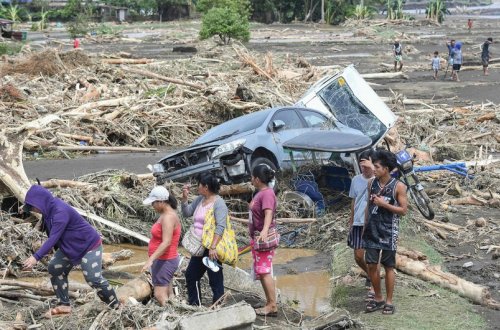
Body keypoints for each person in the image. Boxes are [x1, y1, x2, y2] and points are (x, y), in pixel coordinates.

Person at [21, 185, 119, 318]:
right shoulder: (47, 210)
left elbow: (53, 238)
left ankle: (116, 306)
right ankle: (64, 304)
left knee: (93, 278)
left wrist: (35, 257)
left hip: (89, 246)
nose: (33, 210)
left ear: (40, 202)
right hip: (70, 247)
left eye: (33, 207)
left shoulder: (59, 211)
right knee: (55, 267)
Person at [362, 150, 408, 315]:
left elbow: (403, 210)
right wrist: (364, 225)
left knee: (389, 266)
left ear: (386, 169)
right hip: (371, 230)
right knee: (372, 265)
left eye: (377, 166)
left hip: (389, 230)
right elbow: (368, 206)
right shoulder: (371, 183)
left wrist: (384, 204)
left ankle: (389, 301)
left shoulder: (399, 186)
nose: (373, 169)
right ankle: (378, 298)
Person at [182, 174, 228, 306]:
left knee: (215, 279)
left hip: (212, 247)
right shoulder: (200, 200)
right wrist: (184, 199)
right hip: (199, 246)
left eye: (199, 185)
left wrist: (213, 247)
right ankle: (195, 305)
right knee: (191, 275)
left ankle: (218, 306)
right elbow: (186, 213)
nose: (197, 187)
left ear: (206, 187)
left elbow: (220, 226)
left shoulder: (219, 203)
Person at [142, 186, 181, 306]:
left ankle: (170, 319)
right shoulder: (165, 214)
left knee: (159, 294)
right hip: (164, 260)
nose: (152, 206)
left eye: (153, 203)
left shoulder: (168, 217)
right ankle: (174, 313)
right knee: (169, 294)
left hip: (165, 260)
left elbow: (166, 242)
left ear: (161, 202)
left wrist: (150, 260)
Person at [249, 164, 278, 317]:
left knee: (265, 271)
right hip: (258, 237)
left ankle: (272, 305)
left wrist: (265, 230)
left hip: (263, 238)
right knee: (261, 271)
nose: (251, 180)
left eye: (252, 177)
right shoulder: (260, 193)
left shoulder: (266, 194)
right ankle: (269, 301)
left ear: (258, 179)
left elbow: (268, 213)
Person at [348, 150, 375, 301]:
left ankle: (373, 288)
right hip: (358, 222)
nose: (364, 167)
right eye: (362, 164)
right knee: (358, 256)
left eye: (367, 163)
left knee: (372, 256)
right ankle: (371, 276)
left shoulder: (378, 180)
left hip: (372, 223)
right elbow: (353, 201)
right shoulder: (356, 180)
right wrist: (351, 219)